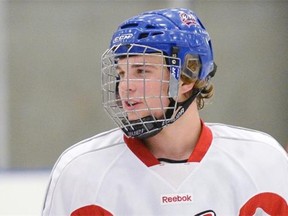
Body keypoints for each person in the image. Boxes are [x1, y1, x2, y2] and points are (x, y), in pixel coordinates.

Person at [42, 8, 288, 216]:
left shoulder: (262, 160)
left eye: (141, 71)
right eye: (121, 73)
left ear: (187, 77)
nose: (125, 86)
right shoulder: (80, 172)